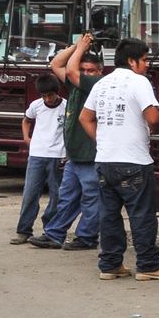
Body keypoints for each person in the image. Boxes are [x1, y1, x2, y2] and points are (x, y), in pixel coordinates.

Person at [79, 38, 159, 281]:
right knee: (142, 215)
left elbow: (85, 118)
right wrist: (157, 129)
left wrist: (103, 140)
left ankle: (110, 265)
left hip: (105, 161)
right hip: (134, 161)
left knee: (109, 215)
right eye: (144, 59)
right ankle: (148, 266)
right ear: (132, 61)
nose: (147, 64)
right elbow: (153, 118)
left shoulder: (102, 83)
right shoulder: (139, 81)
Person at [27, 33, 103, 250]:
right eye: (83, 69)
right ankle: (54, 234)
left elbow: (69, 70)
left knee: (91, 198)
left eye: (91, 70)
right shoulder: (76, 86)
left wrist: (80, 50)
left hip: (90, 154)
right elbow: (56, 64)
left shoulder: (96, 84)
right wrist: (77, 46)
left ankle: (87, 237)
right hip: (74, 155)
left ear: (99, 72)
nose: (86, 73)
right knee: (67, 197)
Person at [11, 74, 66, 244]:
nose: (47, 99)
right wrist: (26, 137)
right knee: (30, 193)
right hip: (37, 155)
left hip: (58, 155)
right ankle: (23, 230)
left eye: (50, 95)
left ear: (56, 92)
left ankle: (50, 229)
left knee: (56, 195)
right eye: (44, 96)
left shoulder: (66, 106)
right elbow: (26, 120)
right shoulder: (36, 105)